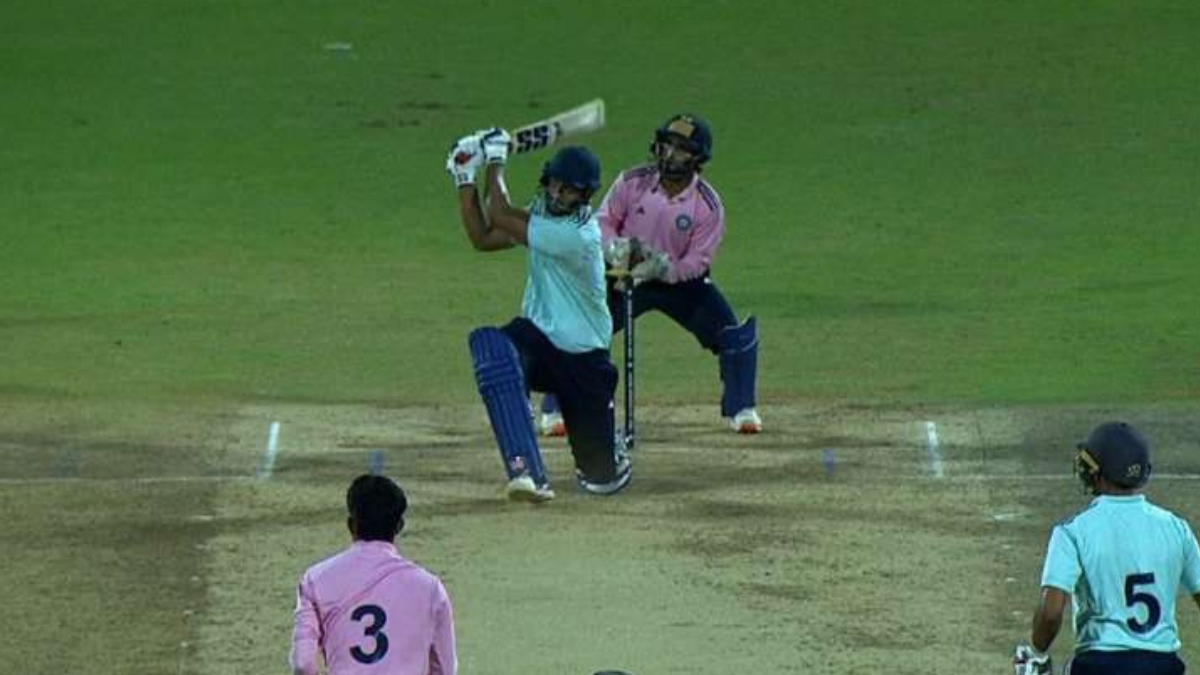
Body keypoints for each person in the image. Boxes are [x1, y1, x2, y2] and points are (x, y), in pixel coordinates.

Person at [538, 113, 762, 438]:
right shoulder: (632, 181)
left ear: (697, 158)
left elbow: (697, 261)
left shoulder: (708, 206)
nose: (670, 154)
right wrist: (617, 251)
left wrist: (662, 268)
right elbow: (603, 221)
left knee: (733, 336)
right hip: (621, 275)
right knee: (578, 330)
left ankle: (742, 409)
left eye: (681, 149)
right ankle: (556, 407)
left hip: (680, 285)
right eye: (667, 145)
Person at [445, 126, 631, 501]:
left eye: (569, 190)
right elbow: (483, 237)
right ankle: (526, 470)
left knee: (600, 480)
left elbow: (499, 213)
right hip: (538, 339)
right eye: (555, 185)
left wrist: (495, 159)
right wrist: (464, 176)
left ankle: (607, 451)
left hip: (584, 357)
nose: (558, 195)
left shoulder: (579, 235)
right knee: (491, 346)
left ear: (585, 195)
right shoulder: (542, 211)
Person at [1013, 422, 1200, 675]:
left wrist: (1038, 652)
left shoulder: (1072, 531)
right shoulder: (1177, 528)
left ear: (1097, 473)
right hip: (1164, 667)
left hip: (1098, 666)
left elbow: (1051, 613)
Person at [290, 474, 457, 675]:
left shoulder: (315, 579)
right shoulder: (430, 588)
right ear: (399, 526)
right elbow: (445, 669)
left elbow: (303, 664)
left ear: (351, 525)